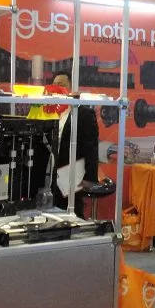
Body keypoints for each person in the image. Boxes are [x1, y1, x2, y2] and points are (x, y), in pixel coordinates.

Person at [50, 73, 99, 219]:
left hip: (71, 172)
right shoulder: (49, 111)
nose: (57, 88)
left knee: (72, 213)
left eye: (62, 85)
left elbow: (91, 148)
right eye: (54, 85)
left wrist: (90, 178)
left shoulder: (84, 114)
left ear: (71, 89)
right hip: (50, 172)